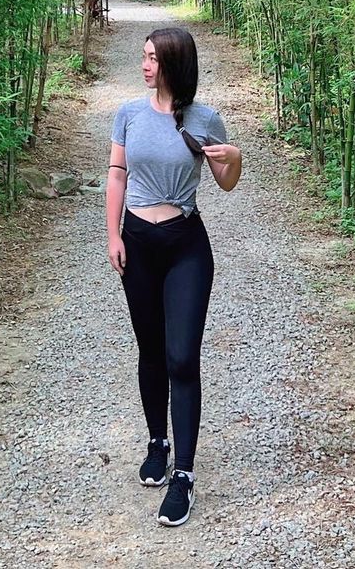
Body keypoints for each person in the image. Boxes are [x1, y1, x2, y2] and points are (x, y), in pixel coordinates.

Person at [106, 26, 243, 527]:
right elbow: (117, 174)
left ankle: (184, 474)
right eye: (143, 56)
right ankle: (157, 443)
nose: (144, 65)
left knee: (182, 356)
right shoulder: (128, 114)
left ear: (174, 64)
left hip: (186, 245)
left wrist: (235, 160)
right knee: (150, 350)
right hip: (138, 243)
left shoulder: (204, 118)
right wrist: (113, 236)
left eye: (152, 59)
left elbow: (226, 182)